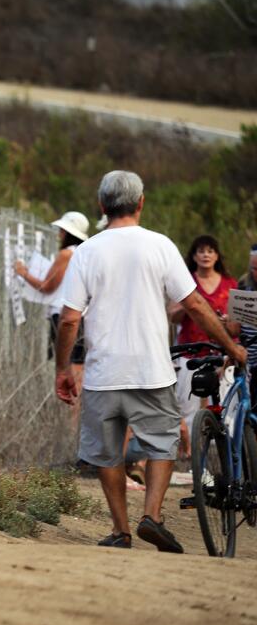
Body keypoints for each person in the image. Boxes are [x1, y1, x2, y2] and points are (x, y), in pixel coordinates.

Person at [55, 171, 246, 552]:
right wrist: (230, 344)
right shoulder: (160, 246)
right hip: (152, 370)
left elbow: (70, 318)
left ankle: (121, 530)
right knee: (162, 444)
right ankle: (152, 516)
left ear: (101, 206)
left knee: (106, 452)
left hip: (103, 372)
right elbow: (194, 304)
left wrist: (63, 368)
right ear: (141, 202)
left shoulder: (87, 251)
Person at [14, 211, 89, 433]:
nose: (59, 234)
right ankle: (77, 426)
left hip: (64, 314)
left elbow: (48, 286)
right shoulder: (85, 252)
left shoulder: (66, 254)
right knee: (80, 371)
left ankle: (71, 428)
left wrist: (23, 273)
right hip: (83, 314)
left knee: (70, 371)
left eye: (62, 230)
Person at [168, 235, 237, 439]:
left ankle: (224, 456)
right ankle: (189, 454)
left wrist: (225, 323)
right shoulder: (184, 281)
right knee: (187, 405)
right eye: (201, 251)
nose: (206, 255)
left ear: (217, 256)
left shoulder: (230, 284)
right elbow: (172, 315)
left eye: (210, 251)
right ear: (194, 256)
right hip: (191, 352)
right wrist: (191, 309)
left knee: (226, 406)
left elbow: (236, 328)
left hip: (223, 355)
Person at [237, 245, 257, 410]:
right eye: (254, 269)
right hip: (250, 360)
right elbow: (235, 329)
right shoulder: (243, 286)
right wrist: (228, 320)